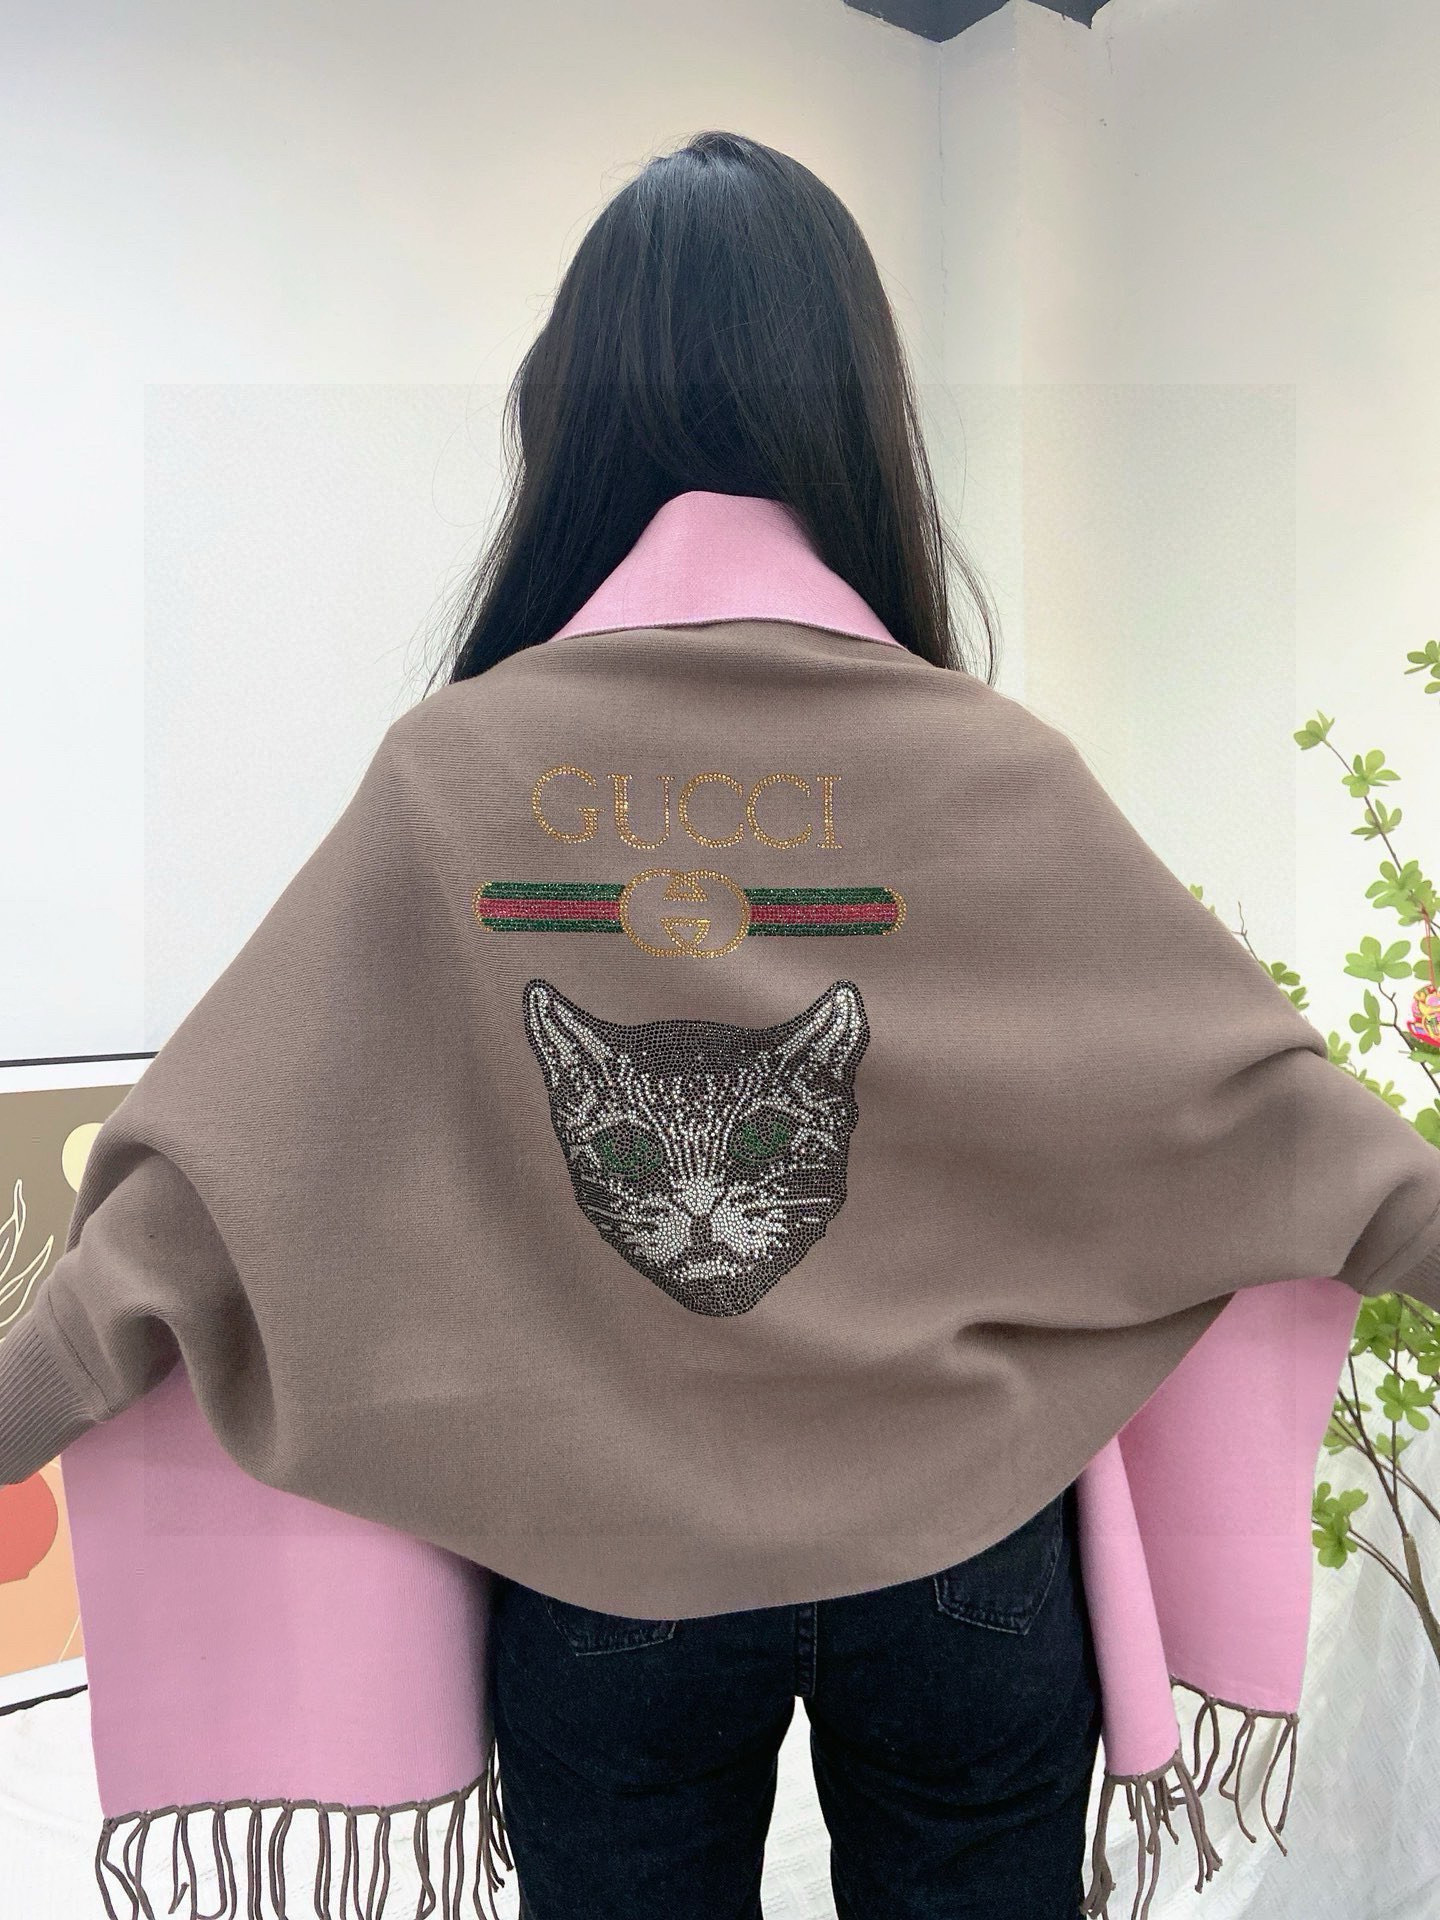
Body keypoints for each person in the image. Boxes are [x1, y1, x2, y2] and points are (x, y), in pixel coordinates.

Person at [4, 129, 1439, 1920]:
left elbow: (205, 1201)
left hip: (610, 1580)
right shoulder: (996, 772)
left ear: (571, 412)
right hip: (971, 1560)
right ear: (860, 414)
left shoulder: (455, 779)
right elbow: (1267, 1126)